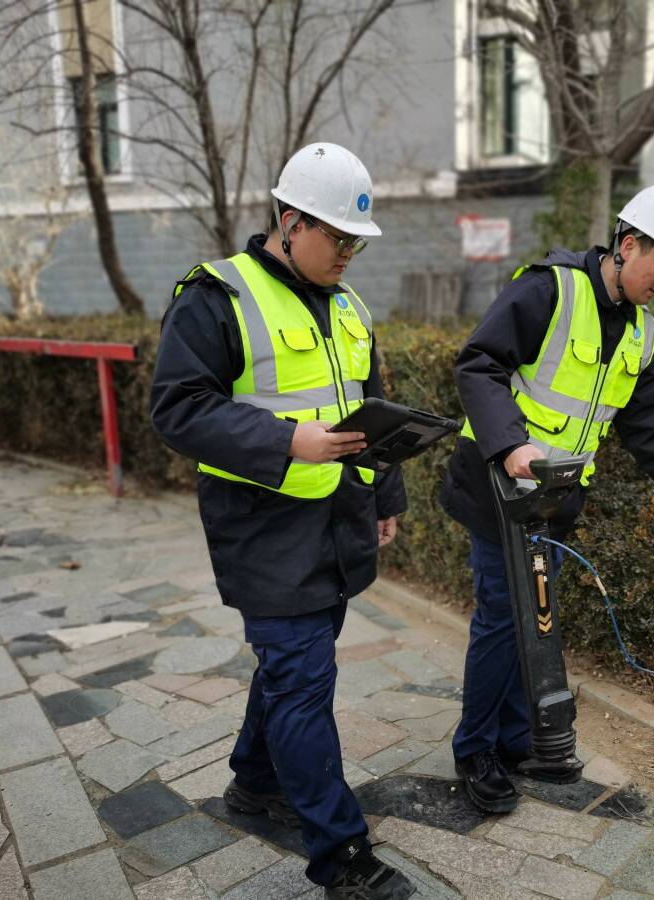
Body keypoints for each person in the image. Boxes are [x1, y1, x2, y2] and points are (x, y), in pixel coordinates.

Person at [150, 142, 414, 900]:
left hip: (337, 518)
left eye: (358, 241)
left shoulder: (349, 307)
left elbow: (366, 408)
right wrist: (285, 440)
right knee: (303, 683)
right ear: (291, 221)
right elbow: (176, 409)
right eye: (338, 237)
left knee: (293, 668)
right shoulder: (218, 296)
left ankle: (254, 782)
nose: (349, 254)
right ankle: (342, 856)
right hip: (262, 529)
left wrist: (385, 495)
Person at [439, 183, 654, 814]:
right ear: (629, 245)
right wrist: (509, 445)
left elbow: (651, 426)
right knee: (505, 617)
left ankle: (518, 739)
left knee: (536, 617)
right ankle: (476, 750)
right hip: (498, 488)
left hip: (552, 504)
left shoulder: (641, 334)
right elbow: (478, 363)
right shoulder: (549, 290)